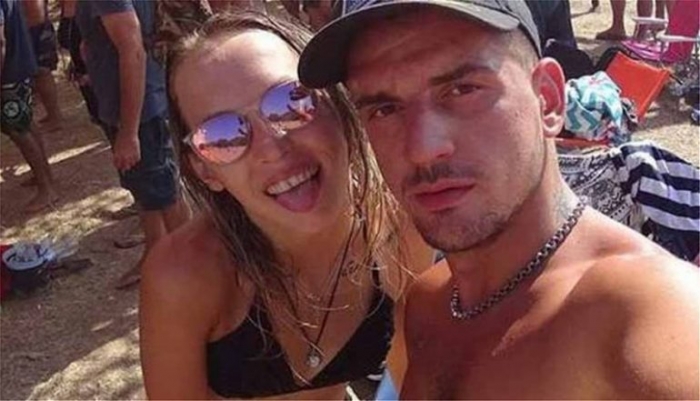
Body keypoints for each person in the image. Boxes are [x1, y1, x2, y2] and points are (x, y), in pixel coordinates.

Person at [298, 0, 700, 399]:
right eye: (385, 109)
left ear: (548, 100)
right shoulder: (426, 305)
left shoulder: (646, 316)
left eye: (462, 90)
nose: (422, 148)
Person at [139, 11, 432, 400]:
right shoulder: (185, 276)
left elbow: (411, 370)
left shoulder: (401, 222)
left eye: (291, 102)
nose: (272, 148)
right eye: (223, 135)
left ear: (338, 101)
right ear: (205, 170)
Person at [75, 0, 190, 289]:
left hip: (140, 110)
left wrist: (129, 132)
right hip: (125, 103)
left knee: (165, 191)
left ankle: (196, 267)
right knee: (143, 185)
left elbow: (133, 49)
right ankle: (155, 248)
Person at [1, 0, 58, 212]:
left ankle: (47, 189)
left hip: (8, 74)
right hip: (17, 66)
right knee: (26, 123)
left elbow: (0, 42)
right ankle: (43, 176)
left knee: (18, 129)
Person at [21, 0, 63, 132]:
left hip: (34, 29)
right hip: (33, 27)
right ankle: (52, 115)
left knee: (42, 73)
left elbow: (35, 9)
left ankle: (55, 117)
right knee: (40, 74)